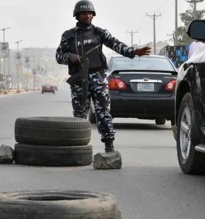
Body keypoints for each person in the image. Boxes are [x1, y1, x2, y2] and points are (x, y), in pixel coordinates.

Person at [56, 0, 151, 153]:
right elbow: (58, 56)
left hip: (98, 78)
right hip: (79, 80)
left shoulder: (99, 33)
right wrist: (70, 57)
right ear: (77, 15)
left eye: (89, 13)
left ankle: (109, 145)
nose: (87, 16)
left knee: (104, 113)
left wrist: (133, 52)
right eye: (83, 13)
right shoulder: (68, 36)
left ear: (93, 15)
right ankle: (79, 147)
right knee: (80, 115)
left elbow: (116, 45)